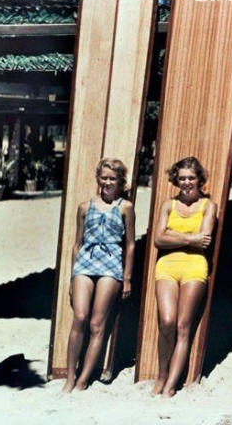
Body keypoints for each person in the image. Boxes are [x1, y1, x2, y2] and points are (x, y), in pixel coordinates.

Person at [63, 158, 135, 393]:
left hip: (111, 263)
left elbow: (131, 245)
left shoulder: (126, 207)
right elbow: (77, 243)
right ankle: (70, 377)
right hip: (85, 262)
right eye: (103, 177)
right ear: (98, 178)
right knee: (80, 317)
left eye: (112, 178)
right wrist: (73, 275)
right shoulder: (85, 207)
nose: (107, 182)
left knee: (97, 323)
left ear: (120, 181)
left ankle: (84, 380)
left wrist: (127, 277)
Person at [152, 157, 217, 398]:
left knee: (182, 325)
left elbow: (206, 239)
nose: (187, 182)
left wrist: (173, 235)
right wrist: (190, 239)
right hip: (167, 265)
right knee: (167, 322)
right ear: (175, 180)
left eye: (191, 177)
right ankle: (161, 375)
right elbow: (158, 240)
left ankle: (171, 384)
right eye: (182, 178)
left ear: (200, 179)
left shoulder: (208, 206)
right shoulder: (167, 205)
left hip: (195, 266)